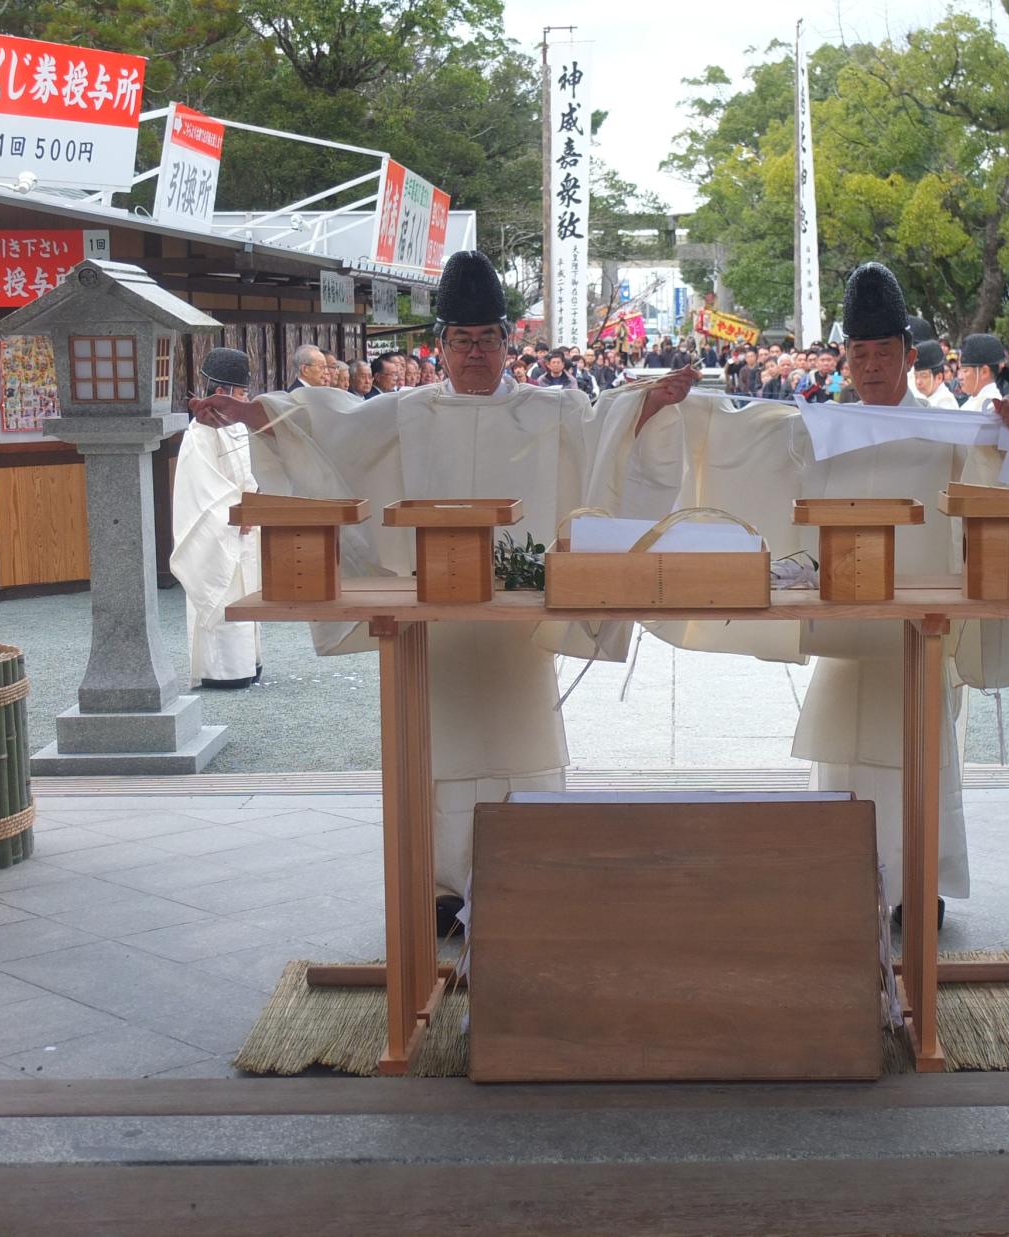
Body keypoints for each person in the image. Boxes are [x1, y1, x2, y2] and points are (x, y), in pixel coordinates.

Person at [191, 251, 694, 934]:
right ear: (442, 345)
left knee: (518, 742)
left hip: (516, 617)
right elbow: (325, 433)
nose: (476, 352)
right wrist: (256, 415)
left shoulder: (552, 408)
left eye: (488, 338)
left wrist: (648, 405)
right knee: (439, 753)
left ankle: (530, 868)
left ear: (507, 342)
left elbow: (607, 433)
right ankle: (438, 889)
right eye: (462, 339)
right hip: (433, 613)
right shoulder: (406, 411)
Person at [609, 263, 1009, 921]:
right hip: (845, 615)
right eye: (858, 352)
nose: (870, 365)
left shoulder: (949, 426)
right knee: (847, 753)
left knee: (923, 750)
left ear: (907, 354)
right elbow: (736, 435)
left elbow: (995, 482)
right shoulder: (818, 425)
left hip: (918, 617)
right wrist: (679, 410)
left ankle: (919, 881)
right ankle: (850, 873)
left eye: (883, 352)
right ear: (845, 356)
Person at [170, 347, 263, 690]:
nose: (244, 400)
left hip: (244, 522)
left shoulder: (236, 427)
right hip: (222, 527)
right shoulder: (199, 433)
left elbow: (248, 475)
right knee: (222, 591)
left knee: (246, 592)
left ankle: (248, 661)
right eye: (240, 394)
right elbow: (204, 491)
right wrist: (237, 513)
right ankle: (222, 670)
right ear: (221, 393)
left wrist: (254, 503)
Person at [912, 339, 959, 407]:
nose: (918, 382)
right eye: (916, 376)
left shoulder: (945, 403)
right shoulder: (919, 396)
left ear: (939, 377)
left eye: (924, 376)